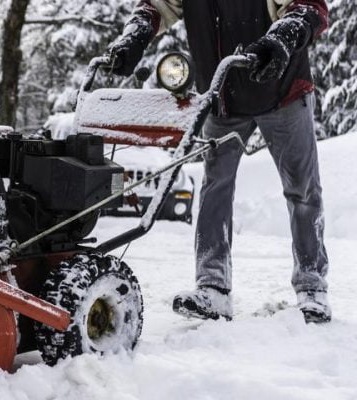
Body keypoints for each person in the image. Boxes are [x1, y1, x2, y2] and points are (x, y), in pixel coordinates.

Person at [106, 0, 331, 323]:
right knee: (215, 188)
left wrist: (282, 36)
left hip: (282, 91)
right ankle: (213, 287)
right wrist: (136, 35)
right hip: (223, 96)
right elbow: (156, 7)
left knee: (303, 189)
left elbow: (309, 7)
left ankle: (312, 288)